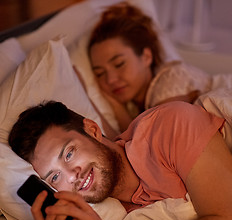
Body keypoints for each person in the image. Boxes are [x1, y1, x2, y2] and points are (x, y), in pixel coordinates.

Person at [8, 100, 232, 220]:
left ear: (93, 130)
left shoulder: (169, 127)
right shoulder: (107, 214)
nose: (72, 175)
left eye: (69, 153)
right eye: (55, 176)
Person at [87, 2, 211, 132]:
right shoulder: (137, 106)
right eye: (100, 73)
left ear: (146, 56)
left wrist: (117, 108)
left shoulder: (172, 78)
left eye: (119, 64)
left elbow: (142, 142)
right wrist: (115, 104)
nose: (110, 79)